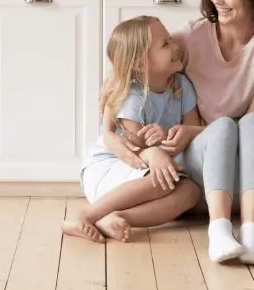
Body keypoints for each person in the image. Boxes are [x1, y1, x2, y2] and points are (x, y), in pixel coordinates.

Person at [107, 0, 254, 265]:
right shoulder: (191, 37)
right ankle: (219, 231)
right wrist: (112, 119)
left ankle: (252, 233)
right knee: (220, 130)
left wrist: (196, 131)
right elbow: (135, 64)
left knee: (249, 123)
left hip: (244, 170)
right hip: (196, 166)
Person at [65, 16, 201, 243]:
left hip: (145, 171)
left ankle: (115, 217)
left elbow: (194, 129)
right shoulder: (133, 94)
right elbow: (133, 149)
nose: (176, 46)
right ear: (140, 63)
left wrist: (167, 135)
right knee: (163, 182)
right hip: (113, 165)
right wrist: (154, 150)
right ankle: (84, 215)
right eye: (165, 44)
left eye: (169, 39)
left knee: (190, 192)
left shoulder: (181, 85)